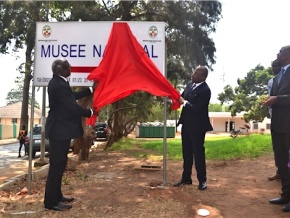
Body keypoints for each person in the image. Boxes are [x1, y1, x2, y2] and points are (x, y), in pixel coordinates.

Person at [44, 59, 96, 211]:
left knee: (60, 165)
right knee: (56, 166)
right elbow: (72, 107)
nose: (71, 69)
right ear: (63, 71)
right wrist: (90, 112)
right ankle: (51, 202)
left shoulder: (59, 82)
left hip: (60, 131)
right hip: (59, 131)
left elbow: (70, 97)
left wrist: (89, 91)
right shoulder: (59, 85)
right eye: (69, 68)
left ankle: (57, 196)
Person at [173, 66, 213, 190]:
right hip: (187, 125)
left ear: (202, 77)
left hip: (198, 127)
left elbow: (197, 109)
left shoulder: (205, 90)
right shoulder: (189, 85)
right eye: (193, 72)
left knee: (198, 154)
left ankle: (202, 181)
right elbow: (180, 97)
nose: (192, 75)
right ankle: (186, 178)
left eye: (196, 73)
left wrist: (183, 102)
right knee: (187, 153)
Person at [263, 45, 290, 212]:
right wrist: (269, 100)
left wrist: (276, 99)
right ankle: (286, 195)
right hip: (277, 125)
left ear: (287, 54)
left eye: (280, 52)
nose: (277, 55)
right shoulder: (279, 74)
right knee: (282, 162)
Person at [267, 60, 281, 181]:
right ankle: (280, 171)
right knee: (277, 147)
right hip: (274, 117)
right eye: (273, 66)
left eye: (277, 65)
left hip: (285, 118)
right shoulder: (271, 81)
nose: (274, 68)